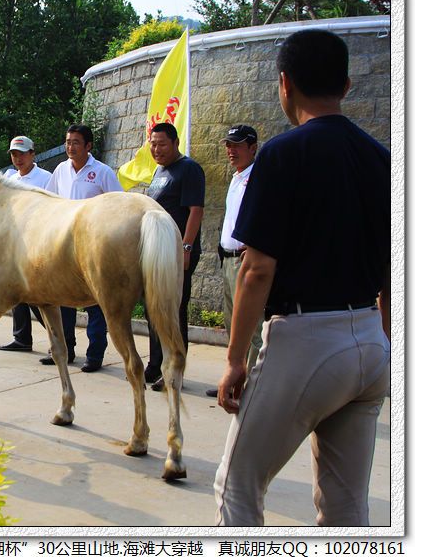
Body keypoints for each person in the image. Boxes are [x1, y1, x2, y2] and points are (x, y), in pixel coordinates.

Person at [213, 30, 390, 526]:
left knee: (237, 485)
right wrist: (386, 338)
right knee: (347, 504)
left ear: (284, 84)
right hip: (370, 346)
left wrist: (234, 360)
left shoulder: (283, 154)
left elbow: (257, 269)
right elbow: (394, 271)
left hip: (306, 342)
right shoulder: (383, 160)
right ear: (348, 84)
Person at [42, 124, 123, 372]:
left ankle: (95, 355)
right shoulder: (60, 170)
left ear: (88, 146)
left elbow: (118, 206)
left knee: (95, 302)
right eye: (67, 142)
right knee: (62, 299)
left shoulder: (102, 172)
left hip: (93, 247)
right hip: (63, 246)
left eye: (76, 142)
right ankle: (65, 350)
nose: (70, 147)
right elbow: (49, 202)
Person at [142, 122, 205, 392]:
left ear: (176, 143)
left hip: (177, 252)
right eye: (153, 144)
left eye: (162, 144)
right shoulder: (160, 171)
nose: (157, 149)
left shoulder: (189, 169)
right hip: (155, 252)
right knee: (153, 309)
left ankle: (174, 372)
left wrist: (186, 247)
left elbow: (195, 211)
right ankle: (156, 365)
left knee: (173, 312)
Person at [204, 125, 264, 399]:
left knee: (251, 327)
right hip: (228, 258)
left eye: (237, 145)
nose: (231, 151)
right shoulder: (236, 177)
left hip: (244, 260)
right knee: (233, 325)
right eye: (228, 145)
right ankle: (235, 378)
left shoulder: (260, 177)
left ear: (253, 148)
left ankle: (253, 385)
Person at [0, 136, 52, 353]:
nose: (17, 158)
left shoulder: (45, 178)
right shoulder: (9, 177)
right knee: (15, 289)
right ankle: (21, 337)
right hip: (13, 241)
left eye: (22, 153)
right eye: (14, 154)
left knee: (36, 293)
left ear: (33, 154)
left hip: (37, 241)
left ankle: (56, 338)